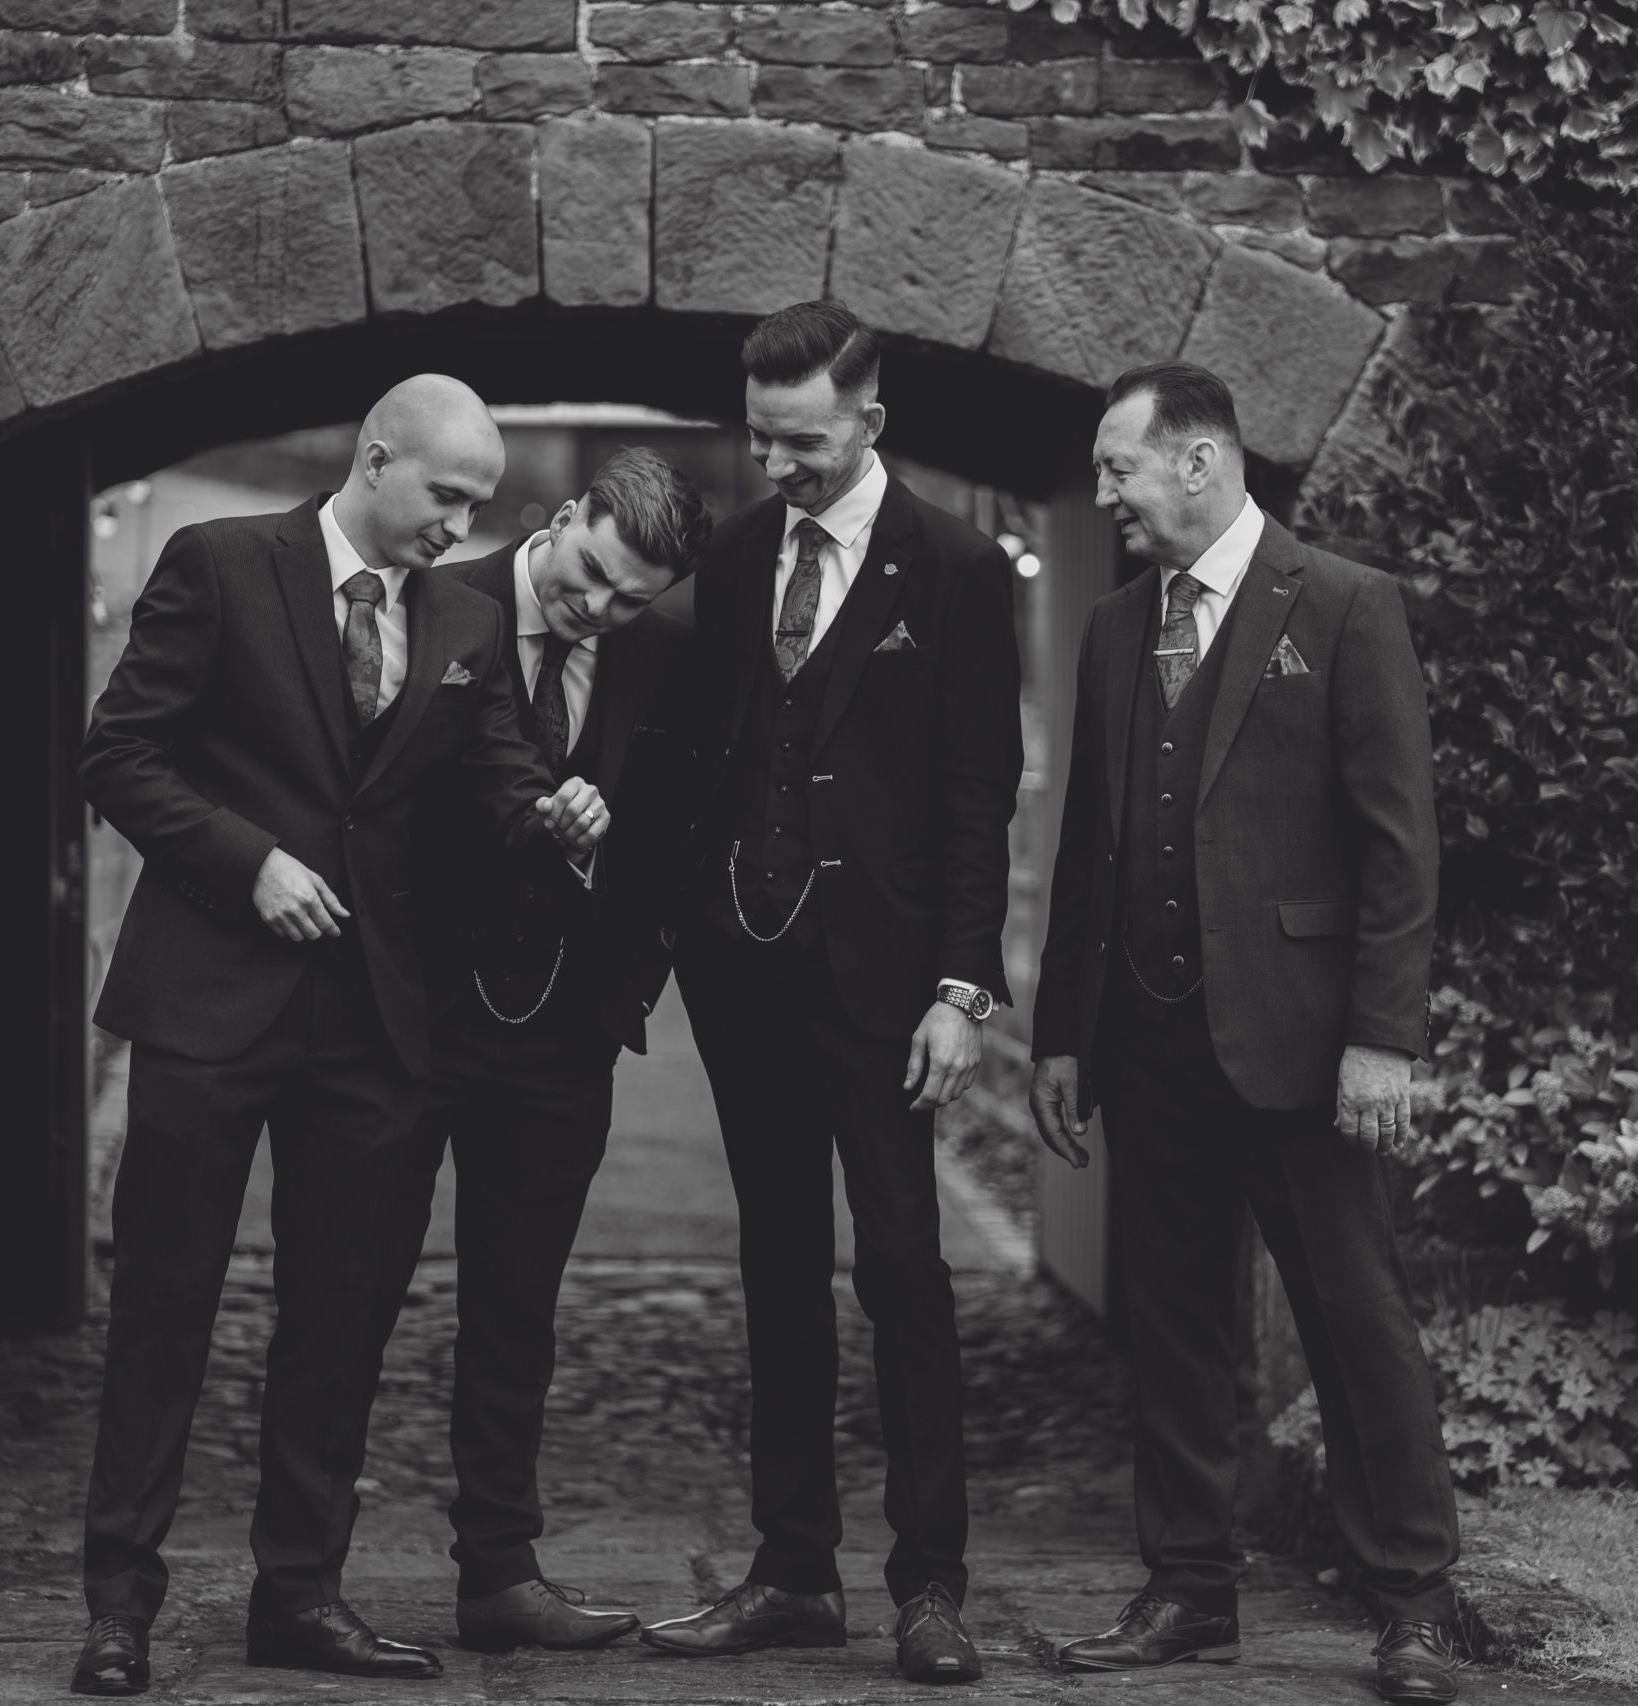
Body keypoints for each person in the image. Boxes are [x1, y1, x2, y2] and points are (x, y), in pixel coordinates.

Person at [72, 376, 609, 1696]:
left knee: (339, 1321)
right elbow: (121, 754)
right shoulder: (219, 562)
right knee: (165, 1306)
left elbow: (490, 780)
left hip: (370, 1020)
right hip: (207, 997)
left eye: (480, 505)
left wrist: (550, 812)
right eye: (447, 496)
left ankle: (301, 1593)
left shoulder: (464, 617)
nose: (461, 527)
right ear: (376, 460)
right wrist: (246, 861)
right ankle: (120, 1603)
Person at [1028, 362, 1463, 1706]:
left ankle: (1416, 1599)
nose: (1105, 495)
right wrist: (1062, 1035)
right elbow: (1089, 845)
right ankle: (1188, 1588)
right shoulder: (1114, 628)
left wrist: (1381, 1037)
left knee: (1352, 1315)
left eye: (1118, 469)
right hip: (1149, 1043)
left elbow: (1400, 844)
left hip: (1301, 1043)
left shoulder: (1341, 603)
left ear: (1200, 460)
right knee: (1172, 1324)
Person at [641, 301, 1023, 1684]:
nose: (774, 464)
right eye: (760, 437)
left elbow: (978, 791)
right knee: (778, 1262)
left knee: (904, 1267)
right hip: (743, 968)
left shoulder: (958, 565)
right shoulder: (738, 554)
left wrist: (961, 989)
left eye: (800, 441)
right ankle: (793, 1570)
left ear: (869, 420)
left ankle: (931, 1585)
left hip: (885, 982)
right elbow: (706, 749)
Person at [396, 448, 713, 1653]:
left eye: (630, 596)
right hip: (410, 1018)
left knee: (516, 1313)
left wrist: (626, 980)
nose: (598, 608)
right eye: (588, 574)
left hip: (562, 1035)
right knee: (347, 1296)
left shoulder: (662, 652)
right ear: (565, 515)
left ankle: (499, 1574)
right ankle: (303, 1575)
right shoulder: (438, 601)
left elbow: (675, 828)